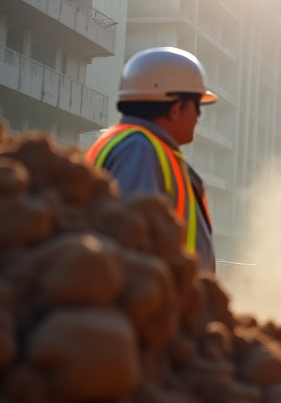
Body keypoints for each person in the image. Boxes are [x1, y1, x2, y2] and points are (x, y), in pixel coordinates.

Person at [86, 47, 218, 272]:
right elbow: (132, 248)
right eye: (198, 106)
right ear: (175, 108)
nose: (198, 116)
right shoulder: (138, 149)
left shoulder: (145, 147)